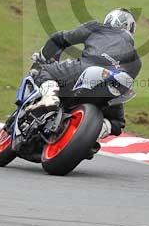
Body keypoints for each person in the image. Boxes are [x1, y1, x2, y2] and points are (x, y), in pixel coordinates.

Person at [29, 8, 141, 140]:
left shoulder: (97, 27)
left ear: (110, 19)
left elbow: (60, 38)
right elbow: (125, 86)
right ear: (131, 29)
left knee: (45, 71)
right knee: (117, 123)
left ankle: (50, 97)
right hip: (111, 85)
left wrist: (43, 56)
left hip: (87, 66)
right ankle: (94, 135)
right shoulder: (136, 60)